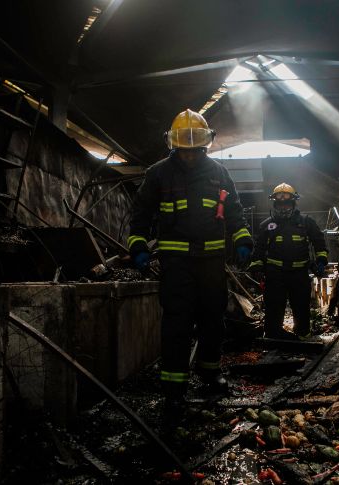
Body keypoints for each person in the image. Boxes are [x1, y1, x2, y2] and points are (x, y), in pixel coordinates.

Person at [127, 109, 253, 415]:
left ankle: (210, 373)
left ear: (205, 146)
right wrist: (138, 245)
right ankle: (174, 388)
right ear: (174, 146)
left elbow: (235, 212)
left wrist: (243, 240)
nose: (190, 157)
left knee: (213, 319)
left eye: (196, 151)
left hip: (211, 263)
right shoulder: (158, 174)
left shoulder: (219, 173)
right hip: (177, 264)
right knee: (177, 324)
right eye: (185, 151)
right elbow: (140, 213)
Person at [248, 183, 328, 340]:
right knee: (274, 306)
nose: (283, 206)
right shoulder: (267, 225)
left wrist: (321, 260)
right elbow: (259, 249)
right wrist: (256, 266)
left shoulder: (307, 223)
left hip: (300, 274)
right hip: (275, 275)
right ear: (275, 203)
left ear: (294, 203)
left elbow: (319, 243)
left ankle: (303, 336)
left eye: (287, 203)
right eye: (280, 203)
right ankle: (273, 337)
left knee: (301, 306)